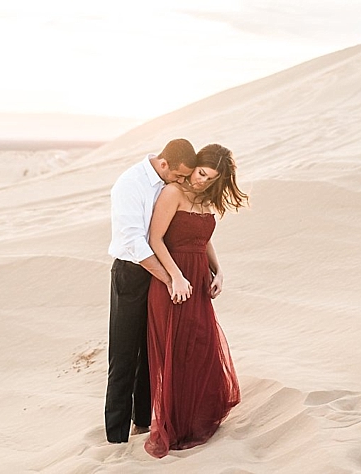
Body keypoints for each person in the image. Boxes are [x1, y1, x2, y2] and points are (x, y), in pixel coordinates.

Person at [144, 143, 249, 458]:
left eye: (212, 178)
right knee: (176, 350)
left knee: (200, 345)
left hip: (198, 282)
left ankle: (197, 419)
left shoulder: (205, 200)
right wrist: (175, 277)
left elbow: (203, 241)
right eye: (202, 173)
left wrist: (218, 271)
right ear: (194, 166)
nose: (203, 181)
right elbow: (154, 238)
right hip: (173, 281)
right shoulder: (172, 192)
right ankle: (176, 426)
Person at [105, 138, 198, 444]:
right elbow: (133, 241)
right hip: (132, 273)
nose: (182, 181)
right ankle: (116, 440)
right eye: (179, 175)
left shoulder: (170, 183)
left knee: (151, 351)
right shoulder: (130, 184)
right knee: (123, 357)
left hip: (161, 273)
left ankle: (142, 422)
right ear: (163, 164)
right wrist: (170, 278)